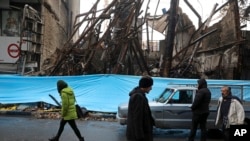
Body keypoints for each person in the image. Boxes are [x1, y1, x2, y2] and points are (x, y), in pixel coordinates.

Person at [126, 76, 154, 141]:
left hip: (139, 134)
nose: (151, 88)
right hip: (138, 136)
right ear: (146, 86)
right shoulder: (138, 97)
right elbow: (137, 118)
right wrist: (140, 137)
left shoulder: (141, 95)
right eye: (150, 86)